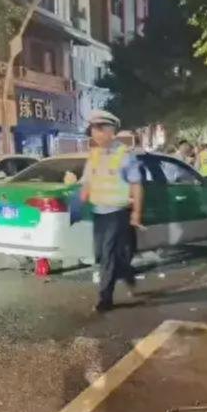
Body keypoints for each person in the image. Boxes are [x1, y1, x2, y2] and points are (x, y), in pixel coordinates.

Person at [80, 110, 143, 313]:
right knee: (101, 254)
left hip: (117, 212)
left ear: (111, 131)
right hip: (99, 213)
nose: (96, 133)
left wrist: (136, 213)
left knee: (107, 255)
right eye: (93, 129)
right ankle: (127, 272)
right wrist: (82, 196)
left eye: (100, 129)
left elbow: (136, 184)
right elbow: (87, 181)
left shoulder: (124, 155)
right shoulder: (94, 155)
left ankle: (105, 298)